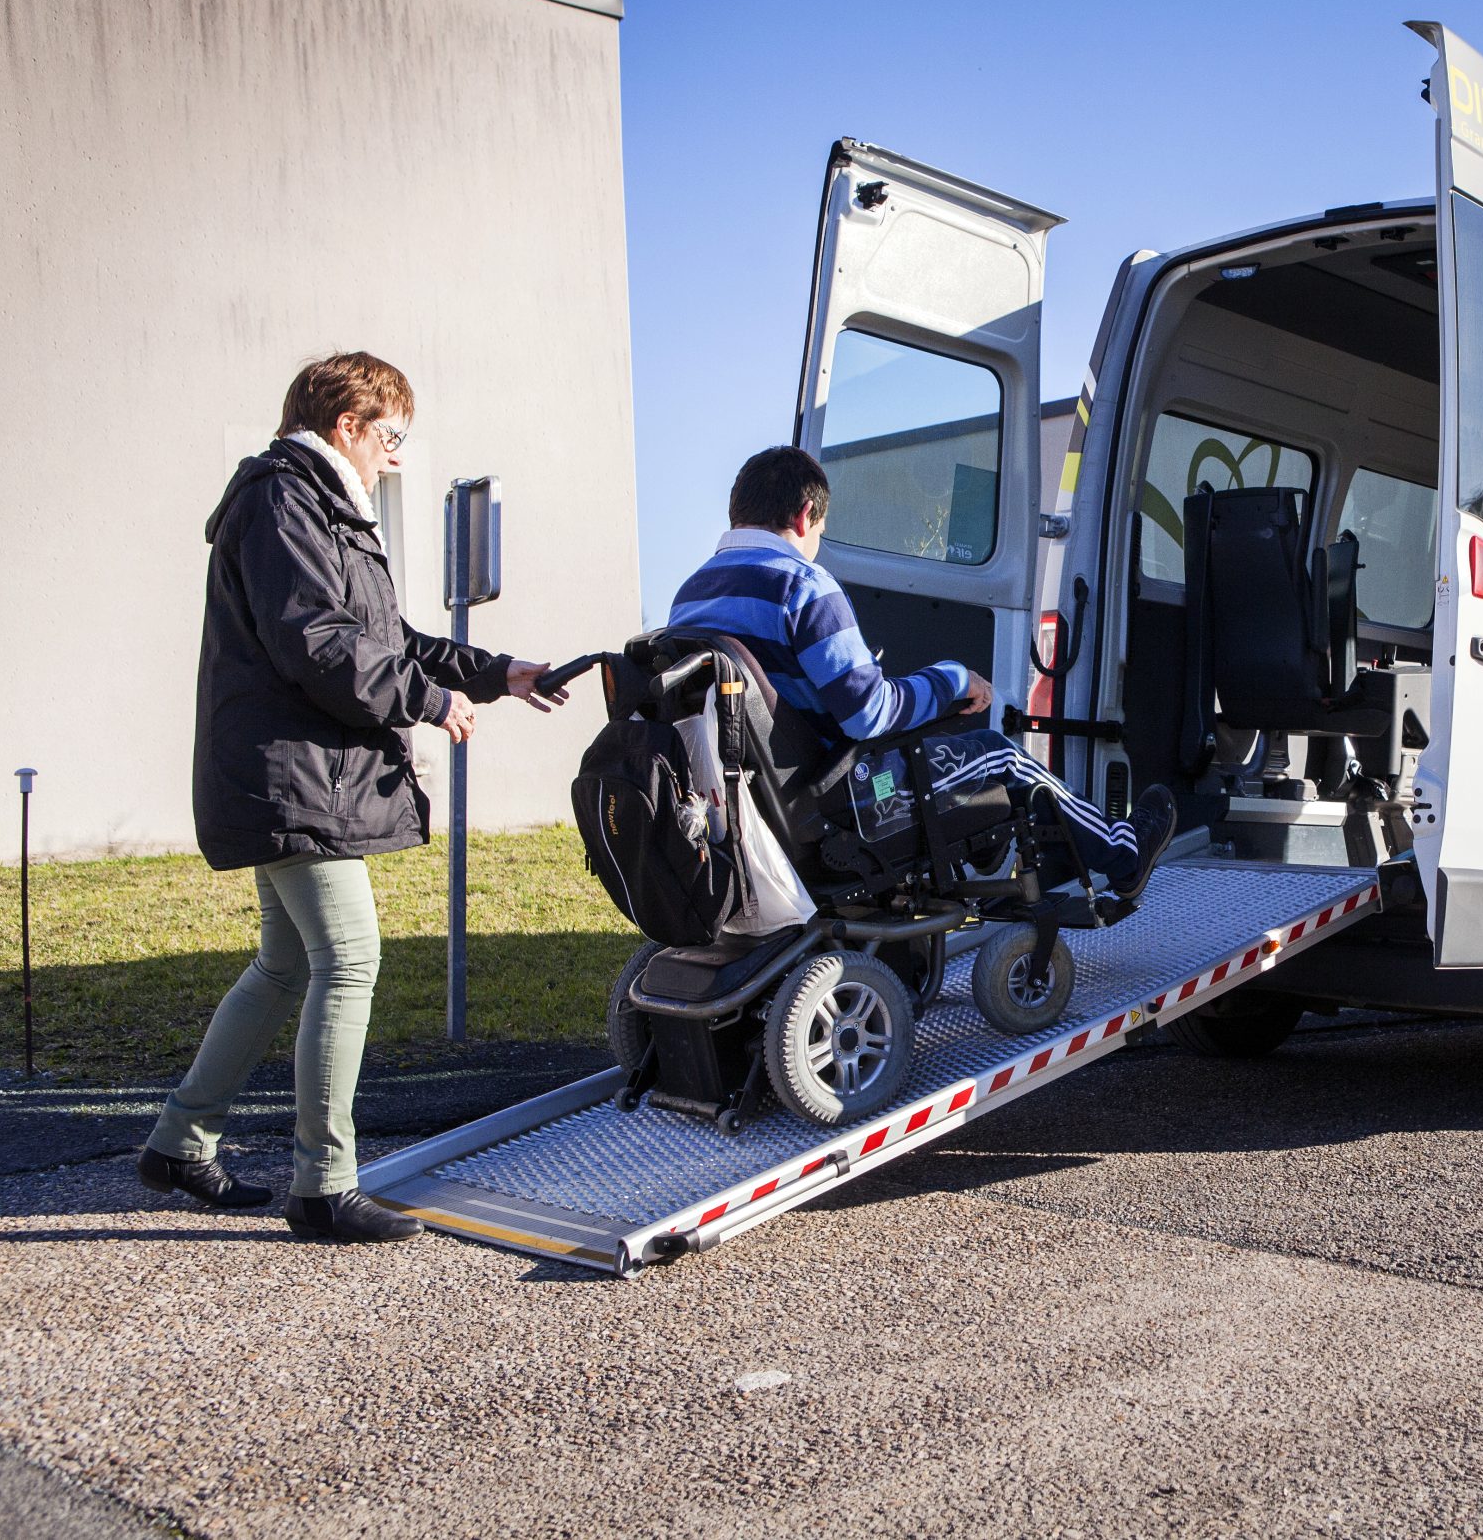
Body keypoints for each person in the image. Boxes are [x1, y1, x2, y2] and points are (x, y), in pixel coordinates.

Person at [142, 352, 567, 1245]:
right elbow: (323, 646)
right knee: (349, 957)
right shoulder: (284, 500)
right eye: (392, 436)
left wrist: (497, 675)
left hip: (290, 772)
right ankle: (323, 1185)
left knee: (286, 963)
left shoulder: (315, 505)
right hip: (293, 775)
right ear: (348, 427)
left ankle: (182, 1139)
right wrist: (432, 701)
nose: (397, 457)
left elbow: (388, 638)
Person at [670, 445, 1177, 896]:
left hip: (743, 806)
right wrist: (952, 679)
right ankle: (1124, 851)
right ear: (805, 516)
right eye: (820, 532)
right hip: (848, 797)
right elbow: (868, 715)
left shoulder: (689, 598)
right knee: (1004, 758)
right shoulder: (803, 587)